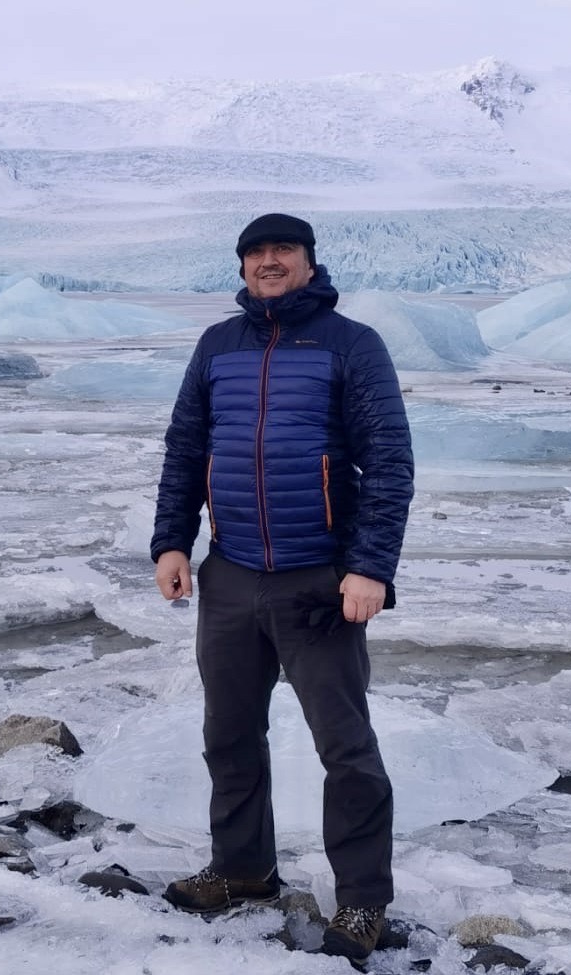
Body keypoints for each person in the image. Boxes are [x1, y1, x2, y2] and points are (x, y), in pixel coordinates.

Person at [150, 213, 415, 965]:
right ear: (242, 267)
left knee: (346, 746)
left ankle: (363, 899)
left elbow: (389, 462)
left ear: (307, 262)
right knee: (228, 733)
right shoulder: (217, 346)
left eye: (283, 251)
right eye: (256, 252)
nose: (269, 262)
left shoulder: (350, 344)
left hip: (318, 579)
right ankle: (242, 869)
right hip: (230, 572)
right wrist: (172, 539)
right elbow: (185, 448)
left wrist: (370, 567)